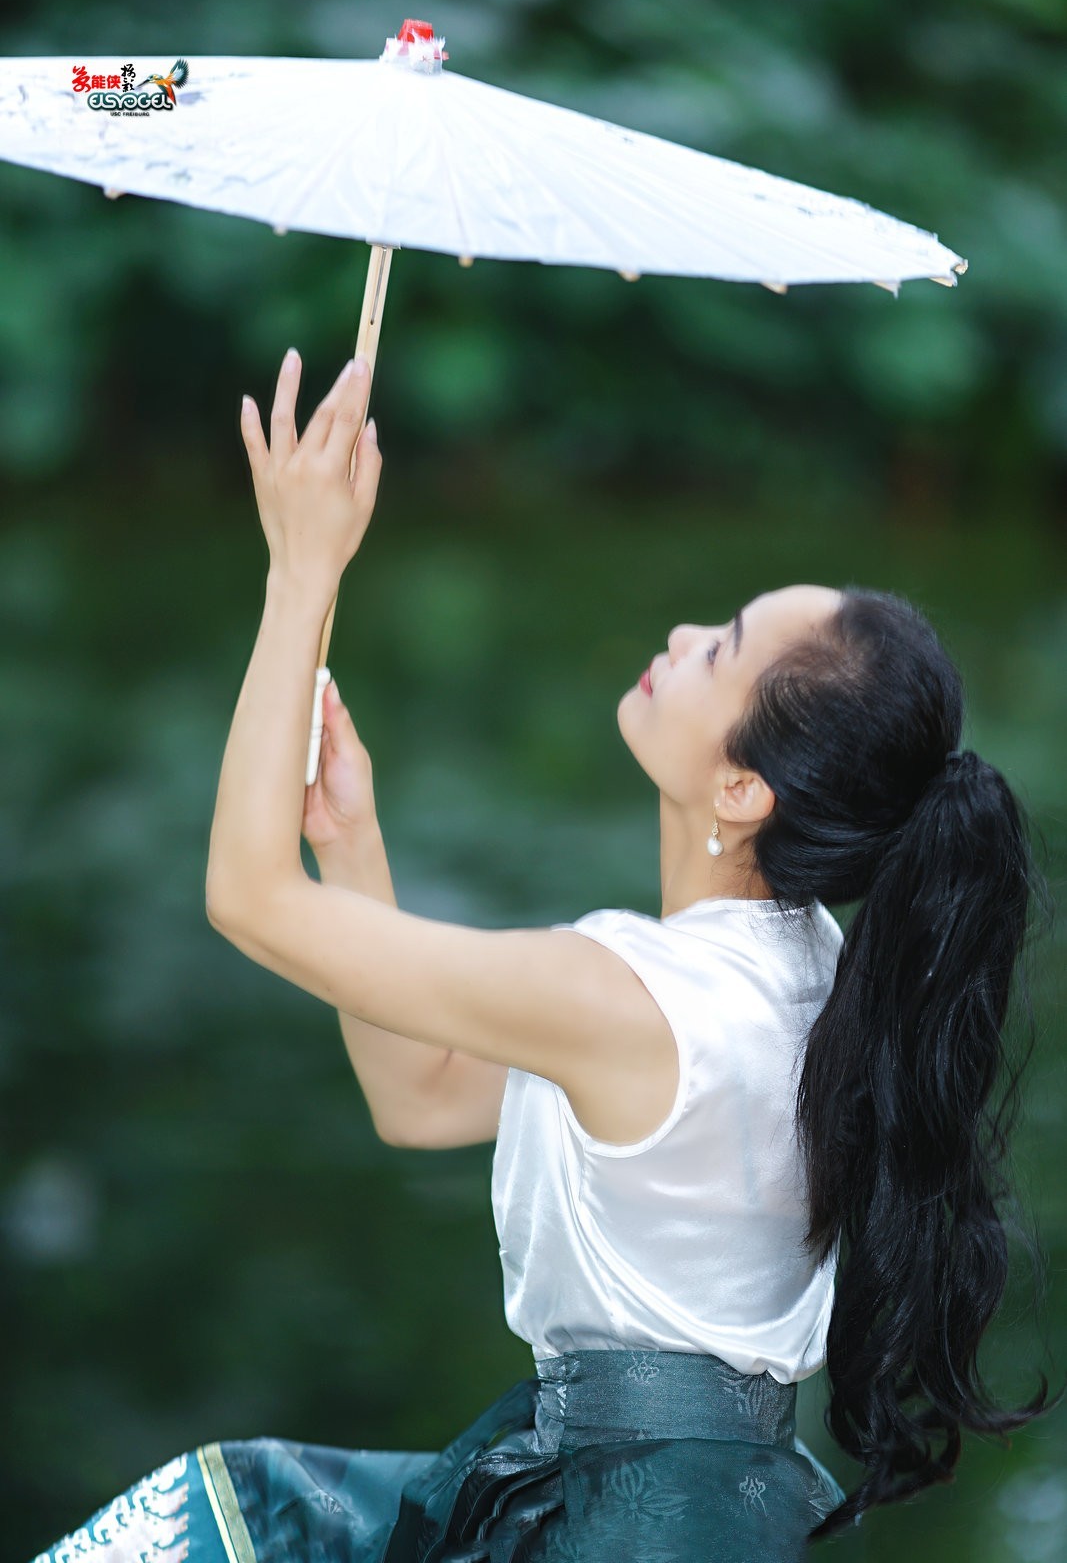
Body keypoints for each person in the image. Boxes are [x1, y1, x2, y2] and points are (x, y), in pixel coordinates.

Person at [29, 354, 1052, 1563]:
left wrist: (302, 569)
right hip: (690, 1513)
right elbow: (424, 1097)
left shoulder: (627, 998)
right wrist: (352, 847)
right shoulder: (817, 975)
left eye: (717, 646)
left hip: (624, 1533)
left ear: (740, 784)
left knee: (230, 1527)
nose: (677, 635)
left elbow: (248, 899)